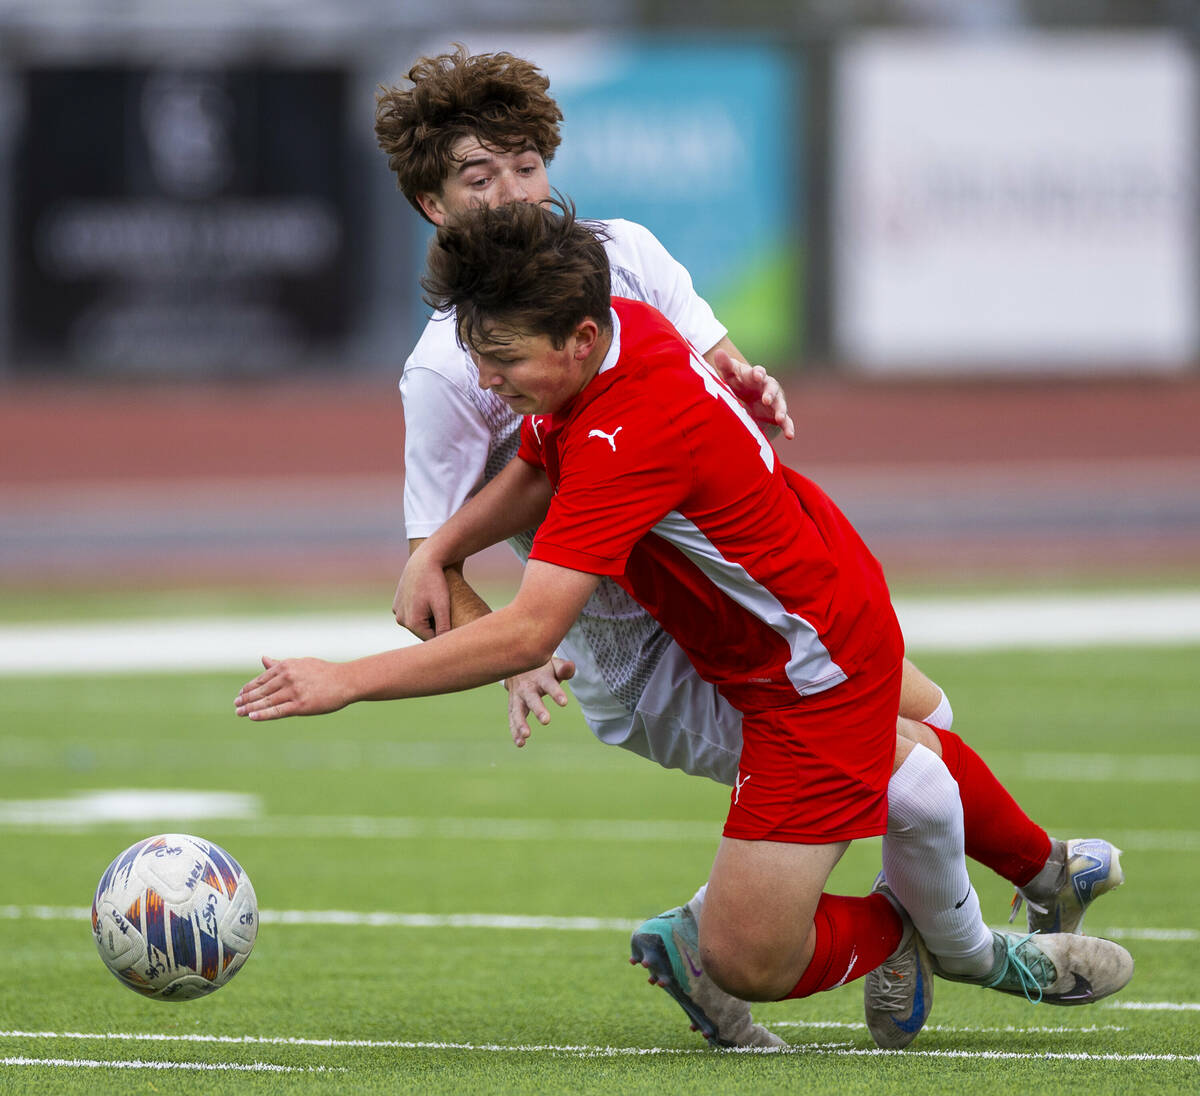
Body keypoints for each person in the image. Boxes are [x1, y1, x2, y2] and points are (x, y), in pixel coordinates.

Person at [235, 200, 1135, 1045]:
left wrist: (342, 681)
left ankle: (965, 949)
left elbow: (528, 635)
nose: (485, 379)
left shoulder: (625, 436)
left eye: (501, 358)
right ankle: (1036, 879)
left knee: (745, 956)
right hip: (797, 619)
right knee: (922, 769)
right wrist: (438, 552)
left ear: (579, 339)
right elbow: (538, 473)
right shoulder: (624, 339)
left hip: (811, 676)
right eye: (477, 355)